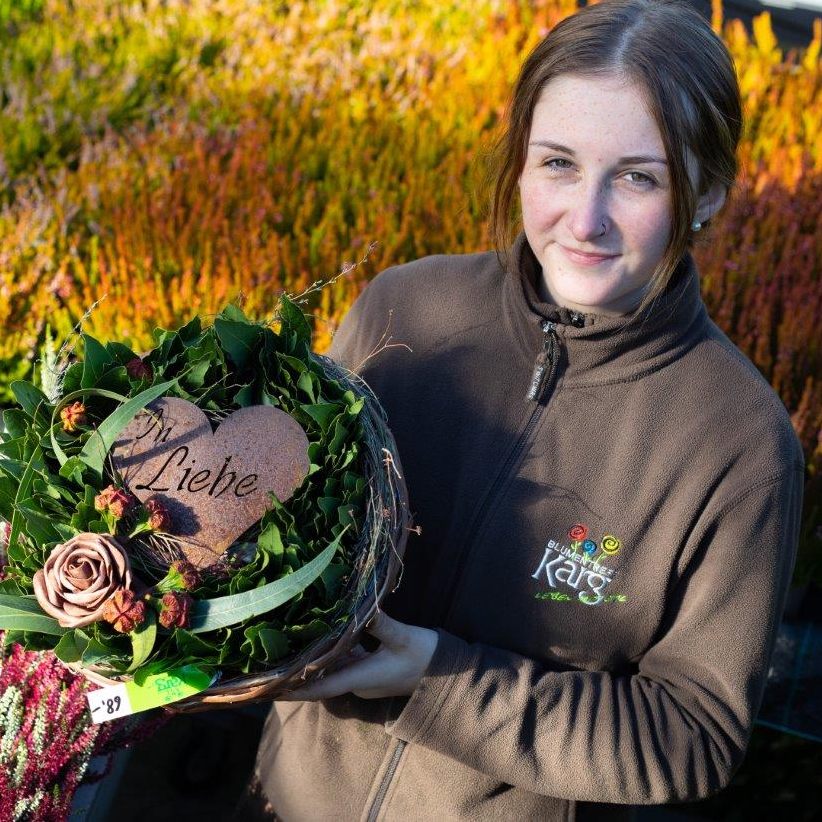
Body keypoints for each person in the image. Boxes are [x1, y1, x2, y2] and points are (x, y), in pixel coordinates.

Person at [243, 1, 805, 818]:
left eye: (639, 177)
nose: (586, 221)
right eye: (558, 164)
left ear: (709, 192)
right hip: (286, 799)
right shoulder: (405, 309)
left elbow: (692, 735)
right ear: (518, 160)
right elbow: (284, 534)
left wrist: (437, 677)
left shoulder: (741, 446)